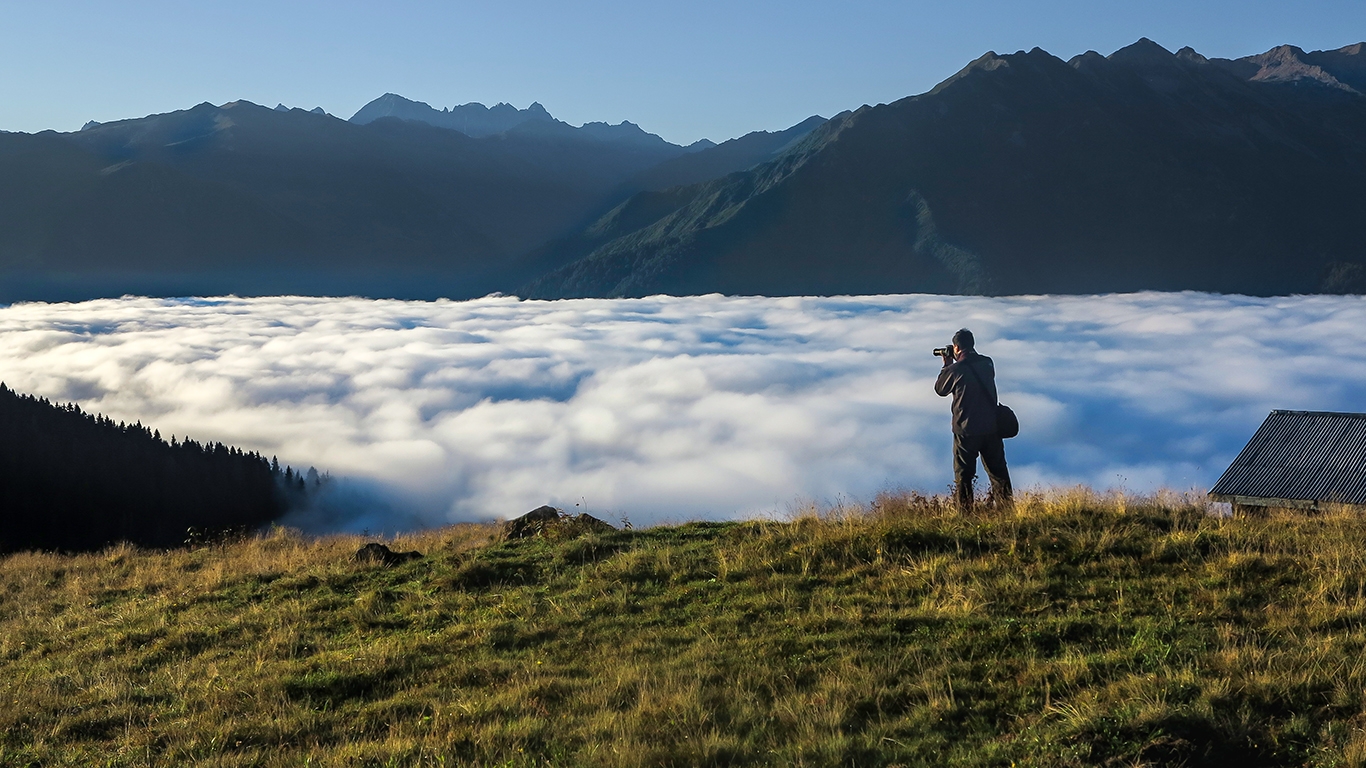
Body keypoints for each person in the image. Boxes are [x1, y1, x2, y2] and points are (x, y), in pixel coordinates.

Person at [934, 328, 1012, 509]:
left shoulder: (955, 369)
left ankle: (966, 514)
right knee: (998, 473)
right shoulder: (988, 363)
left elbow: (940, 389)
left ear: (956, 347)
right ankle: (1007, 511)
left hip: (966, 430)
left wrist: (946, 364)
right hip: (991, 427)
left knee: (964, 476)